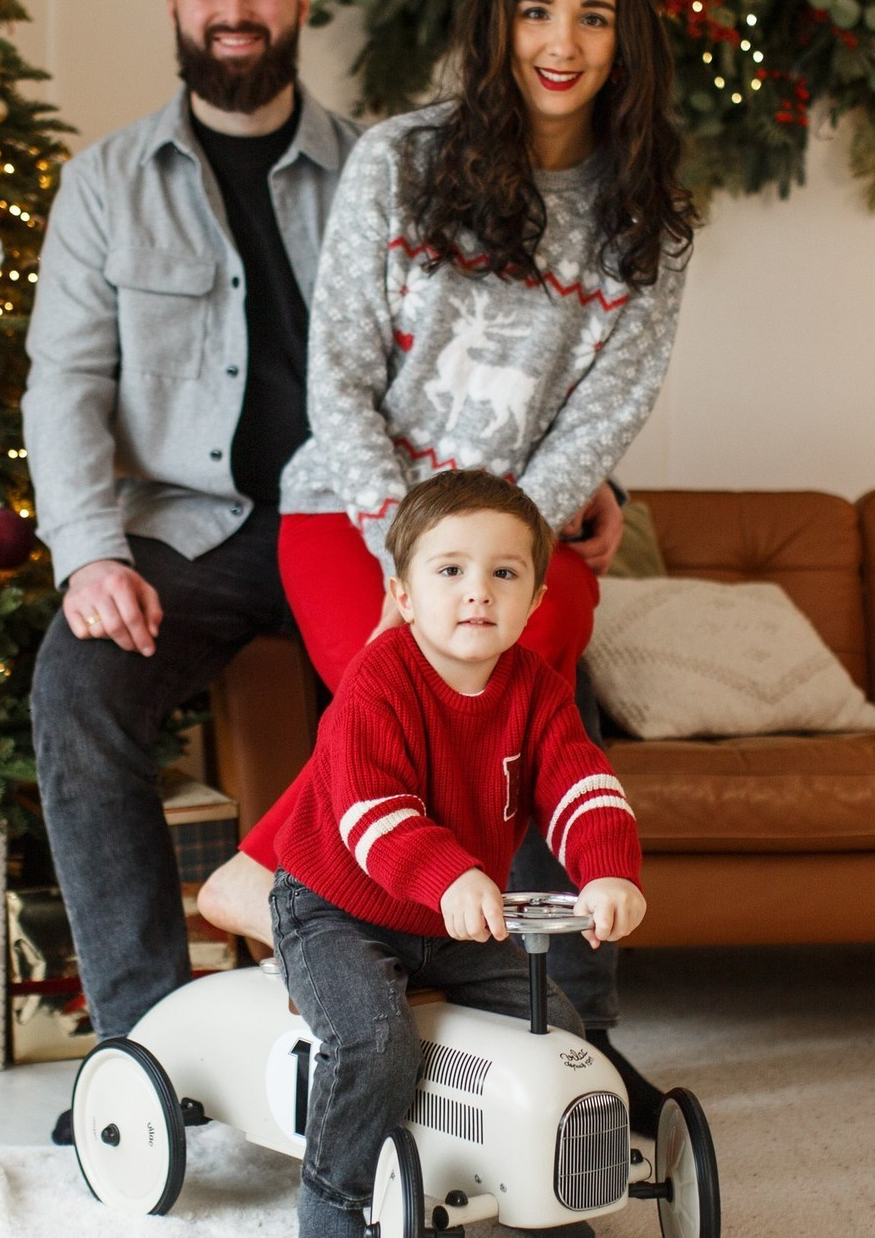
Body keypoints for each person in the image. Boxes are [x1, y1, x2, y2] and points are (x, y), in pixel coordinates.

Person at [200, 0, 696, 1134]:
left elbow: (601, 416)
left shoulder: (648, 217)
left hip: (525, 524)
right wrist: (410, 561)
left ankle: (570, 1024)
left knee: (532, 695)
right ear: (497, 23)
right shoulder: (400, 161)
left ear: (628, 38)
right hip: (351, 509)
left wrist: (495, 552)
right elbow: (338, 374)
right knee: (402, 670)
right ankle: (305, 896)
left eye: (591, 15)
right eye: (535, 10)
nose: (560, 41)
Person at [21, 0, 360, 1073]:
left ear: (299, 1)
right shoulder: (105, 181)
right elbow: (63, 380)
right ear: (173, 3)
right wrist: (89, 555)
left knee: (477, 680)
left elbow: (457, 352)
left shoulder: (376, 171)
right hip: (188, 532)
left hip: (353, 519)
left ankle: (445, 1011)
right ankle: (153, 1050)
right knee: (78, 686)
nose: (232, 10)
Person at [270, 469, 646, 1238]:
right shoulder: (375, 685)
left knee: (556, 1031)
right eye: (450, 571)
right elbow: (372, 810)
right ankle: (335, 1198)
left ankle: (542, 1185)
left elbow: (581, 781)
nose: (478, 592)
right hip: (336, 905)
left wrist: (607, 868)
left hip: (452, 916)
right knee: (375, 1040)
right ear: (403, 594)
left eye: (504, 573)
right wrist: (450, 872)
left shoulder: (538, 689)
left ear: (535, 600)